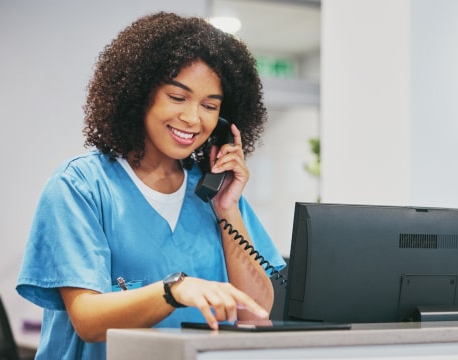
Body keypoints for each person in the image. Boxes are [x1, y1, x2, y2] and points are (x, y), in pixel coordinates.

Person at [16, 12, 285, 359]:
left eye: (209, 106)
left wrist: (227, 208)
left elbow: (255, 313)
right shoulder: (81, 185)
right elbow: (88, 320)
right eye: (177, 97)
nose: (192, 118)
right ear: (140, 94)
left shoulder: (213, 193)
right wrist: (174, 290)